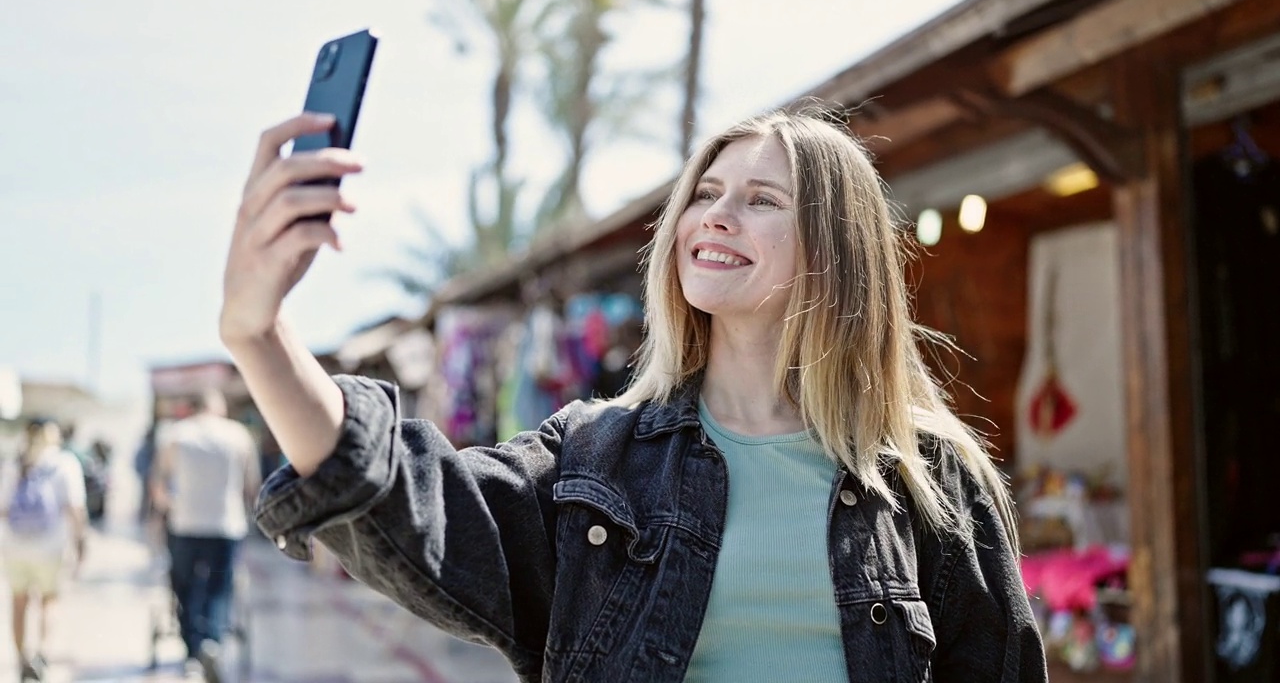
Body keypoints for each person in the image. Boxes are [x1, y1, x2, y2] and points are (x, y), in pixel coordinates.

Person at [221, 110, 1047, 682]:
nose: (714, 217)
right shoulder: (598, 461)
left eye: (761, 200)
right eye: (706, 193)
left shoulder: (932, 483)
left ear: (838, 253)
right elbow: (415, 499)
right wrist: (259, 337)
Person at [149, 389, 260, 681]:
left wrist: (163, 514)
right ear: (217, 406)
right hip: (226, 525)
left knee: (185, 587)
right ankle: (213, 640)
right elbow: (252, 486)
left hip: (185, 524)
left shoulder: (176, 434)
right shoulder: (238, 435)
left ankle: (193, 649)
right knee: (219, 587)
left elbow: (159, 485)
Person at [0, 418, 87, 682]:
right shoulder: (64, 463)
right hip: (51, 545)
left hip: (15, 546)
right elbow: (75, 508)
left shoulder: (16, 462)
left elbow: (3, 508)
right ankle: (41, 654)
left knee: (18, 602)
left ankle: (20, 659)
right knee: (49, 600)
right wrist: (81, 542)